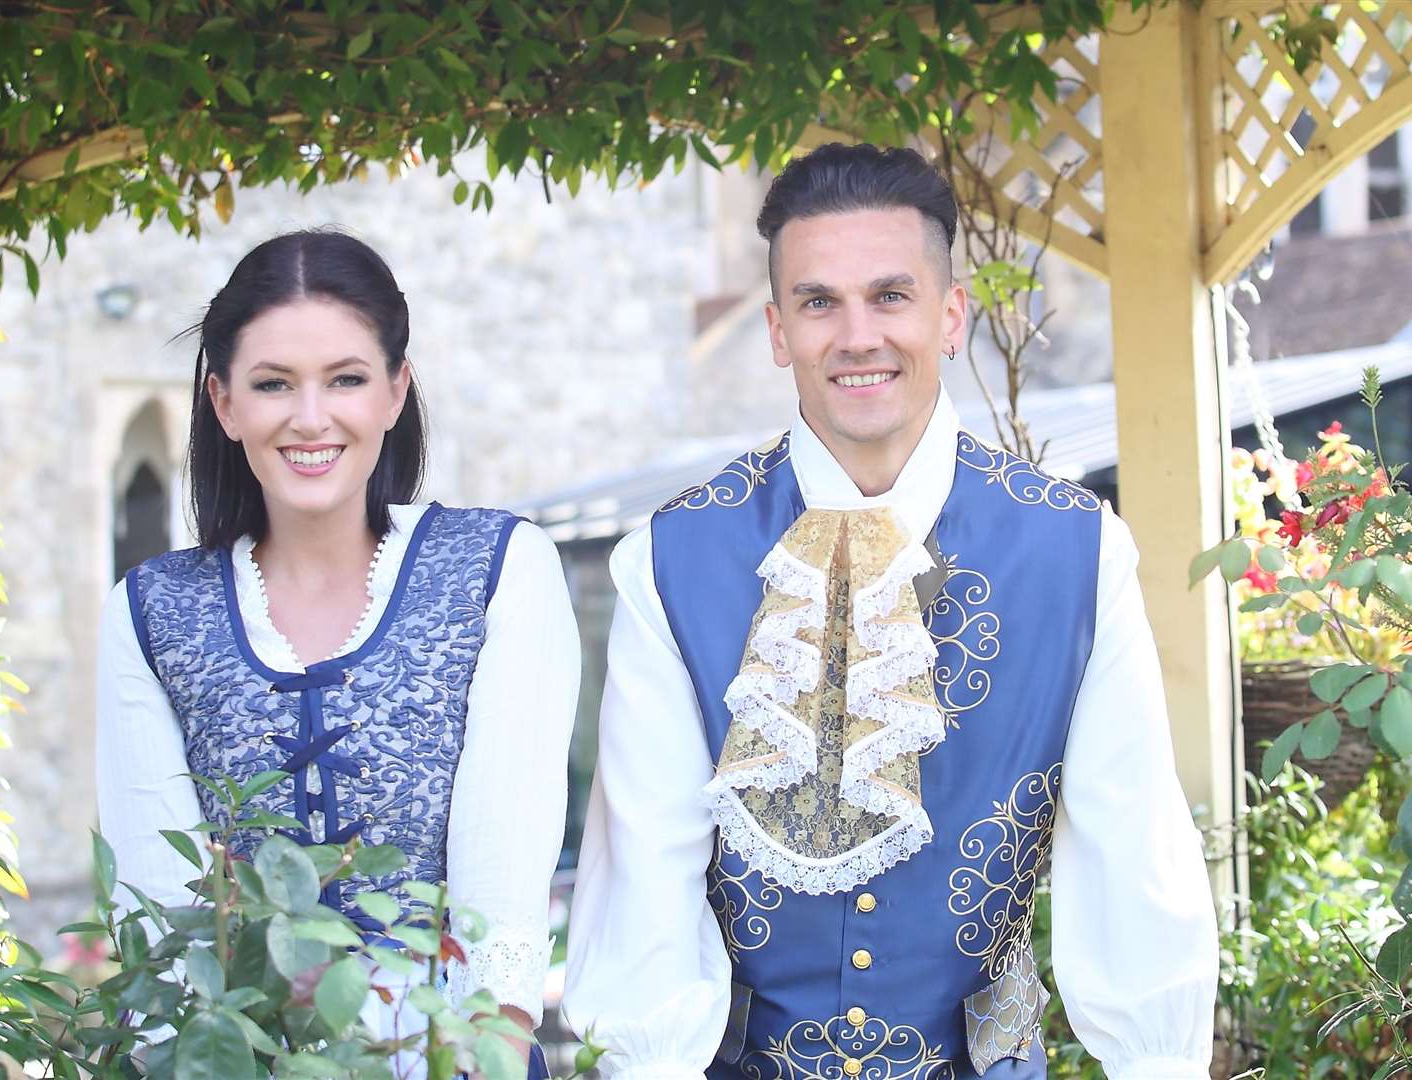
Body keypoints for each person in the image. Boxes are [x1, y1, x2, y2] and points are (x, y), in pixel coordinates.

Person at [564, 144, 1217, 1080]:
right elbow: (645, 886)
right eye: (818, 302)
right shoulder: (670, 563)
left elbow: (1130, 856)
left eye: (891, 295)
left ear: (950, 316)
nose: (856, 334)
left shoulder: (1075, 550)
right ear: (777, 329)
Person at [94, 228, 578, 1075]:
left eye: (346, 380)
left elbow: (500, 890)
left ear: (395, 391)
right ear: (223, 401)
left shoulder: (497, 568)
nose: (310, 417)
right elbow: (160, 910)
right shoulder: (151, 611)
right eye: (274, 383)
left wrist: (481, 1058)